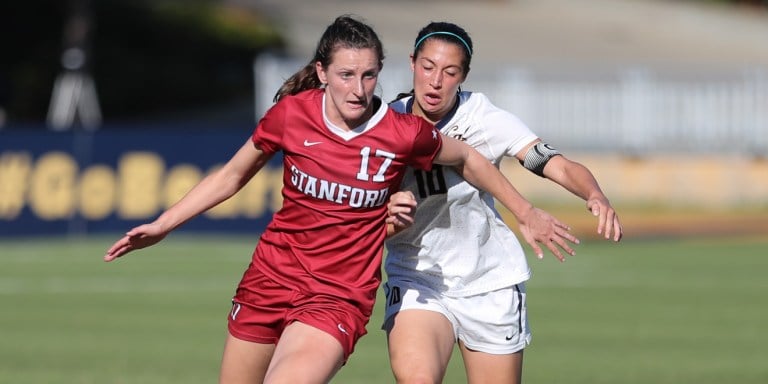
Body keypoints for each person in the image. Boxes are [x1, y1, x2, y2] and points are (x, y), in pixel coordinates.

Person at [103, 15, 577, 384]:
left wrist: (525, 211)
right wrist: (164, 224)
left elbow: (470, 159)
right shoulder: (291, 115)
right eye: (347, 75)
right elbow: (230, 176)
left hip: (337, 296)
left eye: (370, 76)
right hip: (269, 277)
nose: (359, 89)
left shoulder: (400, 132)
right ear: (321, 72)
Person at [383, 21, 624, 384]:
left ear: (463, 75)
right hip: (419, 277)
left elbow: (553, 163)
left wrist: (594, 193)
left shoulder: (483, 118)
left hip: (488, 280)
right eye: (428, 67)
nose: (435, 81)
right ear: (412, 62)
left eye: (450, 72)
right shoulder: (385, 122)